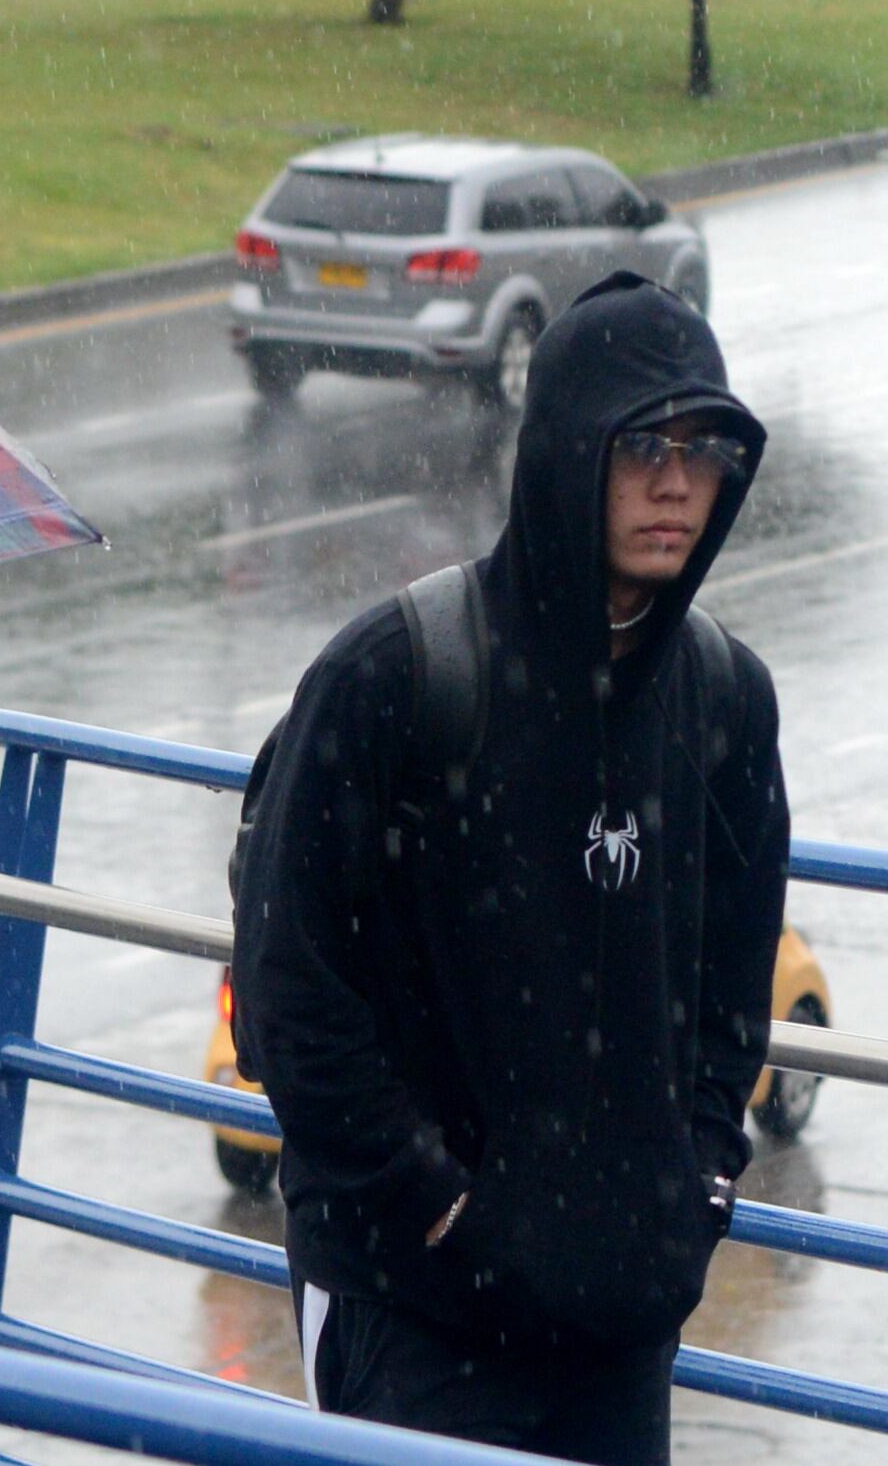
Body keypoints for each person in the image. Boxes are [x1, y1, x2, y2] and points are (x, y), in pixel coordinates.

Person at [230, 271, 790, 1466]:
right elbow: (288, 992)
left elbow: (733, 1000)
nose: (674, 480)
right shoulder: (394, 677)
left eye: (705, 447)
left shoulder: (726, 703)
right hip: (413, 1312)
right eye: (641, 443)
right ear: (567, 452)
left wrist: (694, 1192)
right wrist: (437, 1204)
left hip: (618, 1326)